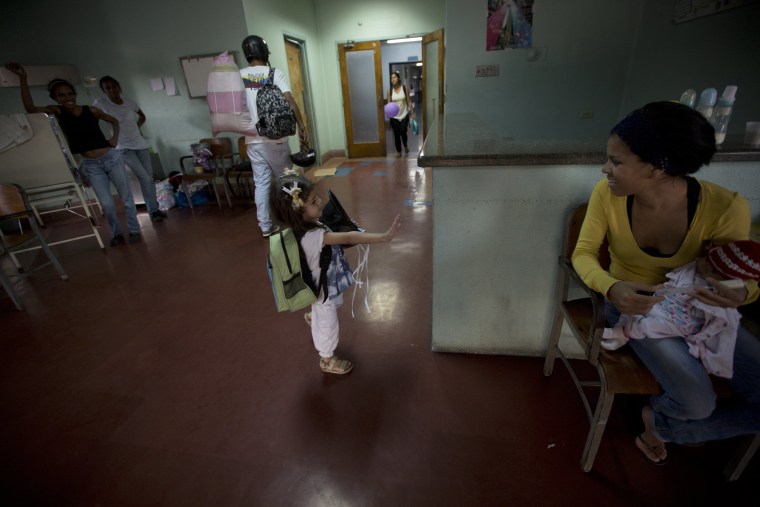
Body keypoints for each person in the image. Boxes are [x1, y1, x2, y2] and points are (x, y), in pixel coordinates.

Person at [572, 101, 760, 465]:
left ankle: (659, 424)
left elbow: (743, 280)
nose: (604, 168)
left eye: (616, 161)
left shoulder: (725, 207)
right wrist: (612, 287)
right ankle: (679, 423)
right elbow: (583, 253)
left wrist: (738, 294)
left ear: (658, 169)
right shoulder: (606, 195)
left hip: (702, 311)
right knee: (698, 403)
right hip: (636, 309)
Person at [270, 171, 401, 374]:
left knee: (334, 303)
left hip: (327, 282)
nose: (320, 201)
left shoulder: (308, 226)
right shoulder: (313, 236)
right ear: (298, 212)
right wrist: (384, 237)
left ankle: (315, 318)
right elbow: (347, 238)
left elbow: (337, 237)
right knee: (328, 322)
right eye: (314, 202)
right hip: (322, 290)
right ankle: (326, 358)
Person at [5, 63, 140, 247]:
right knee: (107, 204)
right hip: (92, 165)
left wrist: (114, 139)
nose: (68, 98)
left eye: (70, 94)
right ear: (55, 98)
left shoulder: (90, 110)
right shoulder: (57, 112)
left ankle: (134, 230)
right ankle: (117, 233)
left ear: (75, 95)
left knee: (126, 198)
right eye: (62, 95)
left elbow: (114, 120)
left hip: (111, 158)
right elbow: (30, 108)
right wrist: (23, 78)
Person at [601, 240, 760, 380]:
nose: (704, 265)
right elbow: (675, 278)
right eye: (708, 260)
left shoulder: (716, 291)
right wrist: (664, 287)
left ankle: (623, 333)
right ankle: (621, 329)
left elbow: (721, 322)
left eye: (713, 271)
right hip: (664, 303)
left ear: (725, 281)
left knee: (648, 326)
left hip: (680, 322)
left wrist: (745, 291)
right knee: (634, 309)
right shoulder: (698, 265)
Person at [240, 35, 308, 238]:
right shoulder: (273, 73)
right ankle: (295, 217)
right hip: (275, 139)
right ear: (264, 51)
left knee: (261, 183)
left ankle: (266, 226)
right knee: (287, 180)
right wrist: (302, 125)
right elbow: (289, 100)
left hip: (252, 139)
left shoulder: (240, 76)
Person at [93, 75, 167, 222]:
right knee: (144, 177)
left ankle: (155, 211)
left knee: (149, 178)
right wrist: (106, 139)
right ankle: (153, 211)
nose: (112, 90)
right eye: (107, 88)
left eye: (114, 86)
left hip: (140, 144)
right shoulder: (101, 103)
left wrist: (137, 127)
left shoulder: (129, 103)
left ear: (119, 87)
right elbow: (93, 120)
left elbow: (142, 116)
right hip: (123, 147)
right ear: (104, 91)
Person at [386, 71, 414, 157]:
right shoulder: (389, 91)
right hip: (394, 116)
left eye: (394, 77)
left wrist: (412, 112)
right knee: (396, 134)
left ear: (398, 78)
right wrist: (388, 112)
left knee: (403, 132)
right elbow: (389, 104)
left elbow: (409, 101)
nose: (393, 79)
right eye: (391, 78)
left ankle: (405, 145)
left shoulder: (404, 88)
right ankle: (398, 151)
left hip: (404, 114)